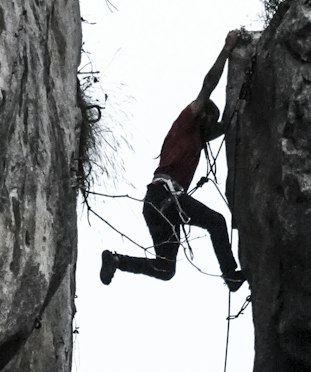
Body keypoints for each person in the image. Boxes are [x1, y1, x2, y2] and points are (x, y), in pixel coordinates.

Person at [99, 29, 248, 290]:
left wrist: (238, 109)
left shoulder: (196, 139)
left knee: (165, 269)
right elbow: (208, 86)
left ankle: (116, 260)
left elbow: (223, 127)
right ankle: (231, 275)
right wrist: (227, 50)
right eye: (209, 122)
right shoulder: (187, 122)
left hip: (156, 203)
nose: (211, 129)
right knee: (217, 222)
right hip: (165, 198)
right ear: (203, 116)